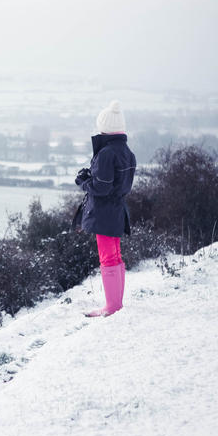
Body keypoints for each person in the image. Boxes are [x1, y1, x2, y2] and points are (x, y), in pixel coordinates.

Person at [74, 100, 137, 317]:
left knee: (107, 257)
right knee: (116, 255)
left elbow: (101, 188)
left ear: (105, 127)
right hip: (118, 209)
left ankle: (112, 306)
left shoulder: (106, 153)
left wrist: (82, 181)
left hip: (104, 212)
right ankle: (115, 304)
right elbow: (116, 183)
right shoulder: (127, 152)